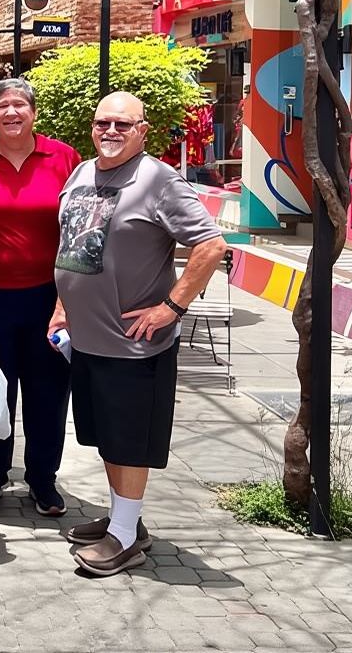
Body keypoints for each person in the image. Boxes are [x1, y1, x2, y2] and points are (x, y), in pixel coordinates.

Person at [50, 92, 227, 576]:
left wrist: (172, 307)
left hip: (133, 346)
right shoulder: (83, 172)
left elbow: (211, 247)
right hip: (87, 339)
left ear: (143, 130)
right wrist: (62, 306)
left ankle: (124, 540)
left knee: (128, 442)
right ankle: (123, 522)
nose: (110, 131)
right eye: (102, 122)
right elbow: (73, 248)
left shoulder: (159, 180)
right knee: (108, 438)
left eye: (122, 125)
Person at [0, 78, 81, 519]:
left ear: (33, 111)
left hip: (50, 297)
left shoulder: (64, 158)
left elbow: (79, 230)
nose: (11, 113)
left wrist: (66, 302)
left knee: (48, 393)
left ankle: (43, 480)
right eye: (2, 106)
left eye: (19, 105)